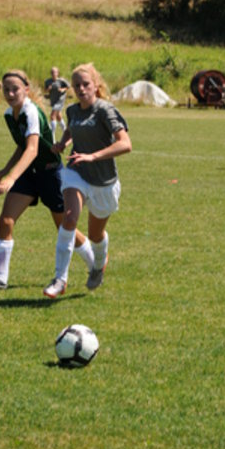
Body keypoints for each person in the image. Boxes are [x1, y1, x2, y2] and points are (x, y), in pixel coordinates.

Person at [0, 69, 96, 292]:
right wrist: (5, 169)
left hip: (50, 173)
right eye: (6, 89)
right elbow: (22, 146)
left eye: (15, 89)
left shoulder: (31, 111)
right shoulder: (8, 114)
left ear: (26, 89)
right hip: (29, 173)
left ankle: (95, 262)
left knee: (64, 227)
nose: (10, 94)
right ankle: (0, 278)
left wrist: (11, 178)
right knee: (6, 220)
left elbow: (32, 150)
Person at [43, 62, 132, 299]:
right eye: (77, 85)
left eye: (86, 84)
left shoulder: (105, 110)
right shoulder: (72, 111)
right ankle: (60, 279)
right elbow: (71, 130)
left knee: (95, 235)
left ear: (96, 85)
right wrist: (63, 143)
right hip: (77, 171)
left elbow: (125, 144)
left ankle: (99, 264)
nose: (81, 89)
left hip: (104, 181)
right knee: (69, 217)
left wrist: (93, 156)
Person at [44, 66, 70, 141]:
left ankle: (52, 138)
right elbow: (45, 90)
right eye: (52, 72)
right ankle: (66, 131)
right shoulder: (48, 81)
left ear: (58, 73)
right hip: (53, 100)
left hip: (60, 100)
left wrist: (62, 89)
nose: (54, 74)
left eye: (55, 72)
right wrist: (48, 90)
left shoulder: (61, 81)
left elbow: (68, 87)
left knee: (52, 116)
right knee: (58, 117)